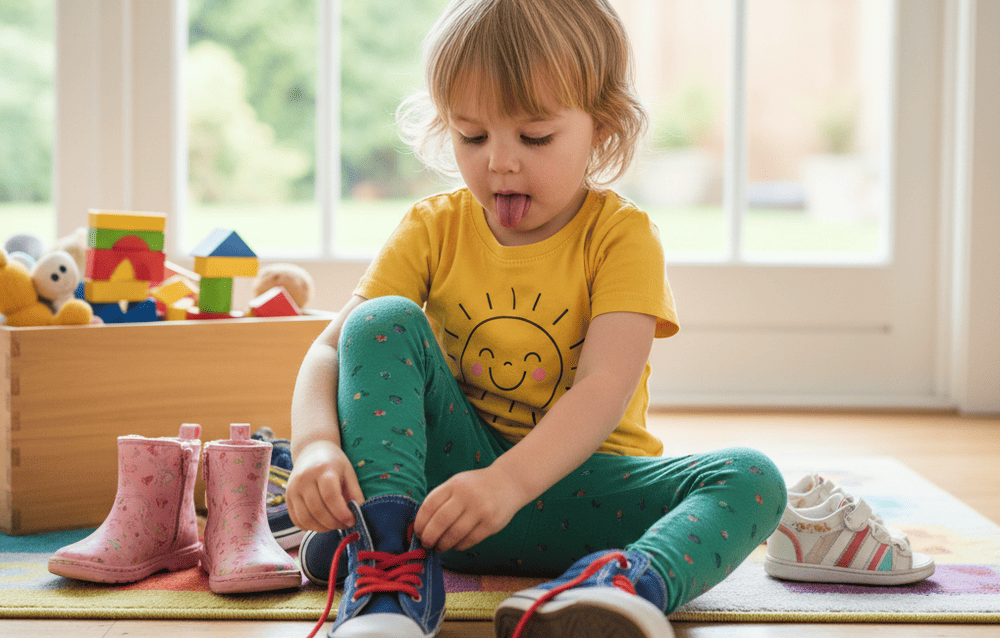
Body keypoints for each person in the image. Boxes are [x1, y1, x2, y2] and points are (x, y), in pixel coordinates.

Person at [286, 1, 786, 636]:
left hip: (584, 493)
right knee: (379, 319)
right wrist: (315, 447)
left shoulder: (621, 238)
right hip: (451, 495)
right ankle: (387, 565)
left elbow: (604, 389)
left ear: (603, 127)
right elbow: (330, 350)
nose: (499, 161)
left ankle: (618, 586)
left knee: (753, 478)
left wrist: (508, 484)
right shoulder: (432, 228)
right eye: (472, 136)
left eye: (535, 137)